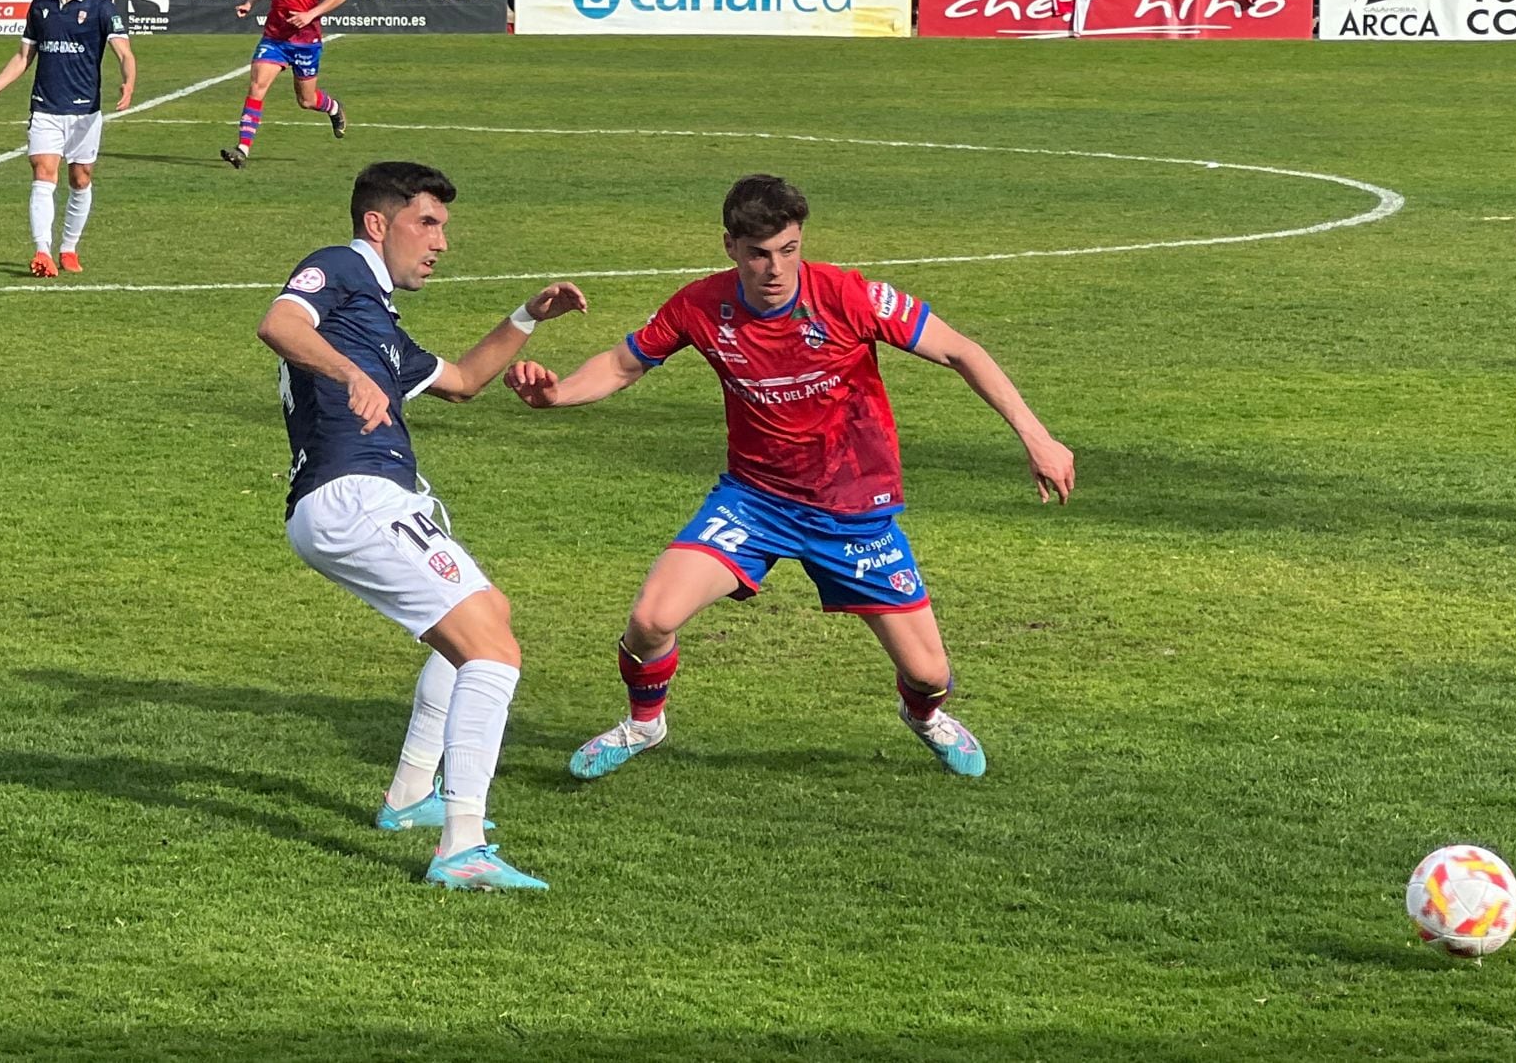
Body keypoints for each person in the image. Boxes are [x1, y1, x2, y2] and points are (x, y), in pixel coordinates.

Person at [501, 174, 1074, 782]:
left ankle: (924, 717)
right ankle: (645, 724)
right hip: (755, 503)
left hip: (853, 509)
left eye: (788, 250)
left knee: (930, 673)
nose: (775, 269)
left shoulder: (849, 296)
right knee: (650, 620)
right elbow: (621, 364)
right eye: (758, 254)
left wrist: (1037, 437)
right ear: (730, 247)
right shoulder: (699, 306)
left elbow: (962, 350)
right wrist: (557, 395)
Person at [259, 161, 590, 890]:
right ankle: (461, 846)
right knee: (493, 653)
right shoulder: (340, 267)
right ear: (379, 224)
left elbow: (465, 382)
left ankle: (410, 795)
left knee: (486, 619)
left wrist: (530, 315)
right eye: (428, 223)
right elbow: (279, 322)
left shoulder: (377, 319)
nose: (441, 241)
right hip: (351, 496)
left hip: (373, 499)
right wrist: (349, 375)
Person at [0, 0, 138, 276]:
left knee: (80, 178)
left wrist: (129, 79)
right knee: (43, 172)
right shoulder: (40, 6)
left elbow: (124, 52)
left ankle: (68, 248)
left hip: (85, 111)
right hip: (45, 108)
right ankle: (43, 252)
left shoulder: (100, 7)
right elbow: (24, 56)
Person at [219, 0, 349, 169]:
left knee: (307, 101)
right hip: (275, 37)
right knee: (257, 86)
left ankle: (334, 108)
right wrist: (250, 3)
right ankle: (242, 148)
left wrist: (309, 14)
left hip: (305, 39)